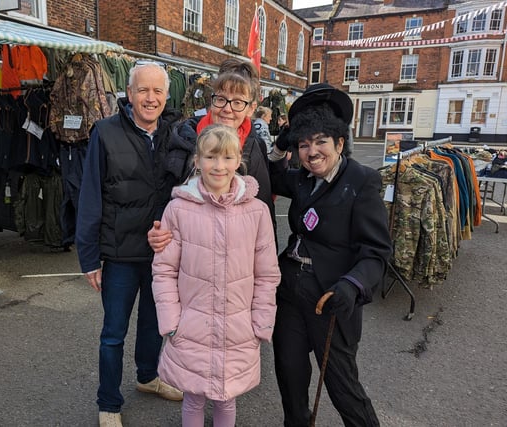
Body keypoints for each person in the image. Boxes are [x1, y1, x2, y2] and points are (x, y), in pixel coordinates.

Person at [268, 83, 392, 427]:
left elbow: (377, 252)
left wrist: (352, 285)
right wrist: (282, 142)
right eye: (304, 144)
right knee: (290, 375)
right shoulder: (304, 179)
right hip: (290, 291)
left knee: (342, 387)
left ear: (339, 143)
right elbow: (272, 174)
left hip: (331, 297)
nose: (312, 152)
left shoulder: (362, 181)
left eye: (321, 141)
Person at [75, 62, 189, 427]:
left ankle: (147, 377)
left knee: (156, 324)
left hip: (160, 253)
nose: (150, 98)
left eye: (157, 91)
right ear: (129, 93)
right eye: (143, 90)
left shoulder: (176, 133)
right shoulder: (105, 133)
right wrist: (89, 257)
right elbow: (90, 196)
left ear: (167, 95)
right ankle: (108, 402)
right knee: (113, 333)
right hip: (119, 253)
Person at [151, 124, 280, 426]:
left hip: (239, 326)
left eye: (226, 158)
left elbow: (267, 274)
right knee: (193, 397)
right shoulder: (178, 209)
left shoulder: (257, 211)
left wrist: (261, 321)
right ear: (197, 161)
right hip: (191, 325)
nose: (218, 166)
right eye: (210, 157)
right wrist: (170, 321)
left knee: (227, 396)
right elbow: (164, 270)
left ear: (238, 161)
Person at [148, 67, 275, 250]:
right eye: (221, 99)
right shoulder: (183, 138)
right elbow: (163, 194)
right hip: (190, 252)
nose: (227, 109)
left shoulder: (255, 147)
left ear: (250, 109)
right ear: (211, 100)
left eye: (238, 102)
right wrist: (157, 226)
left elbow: (265, 210)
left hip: (237, 256)